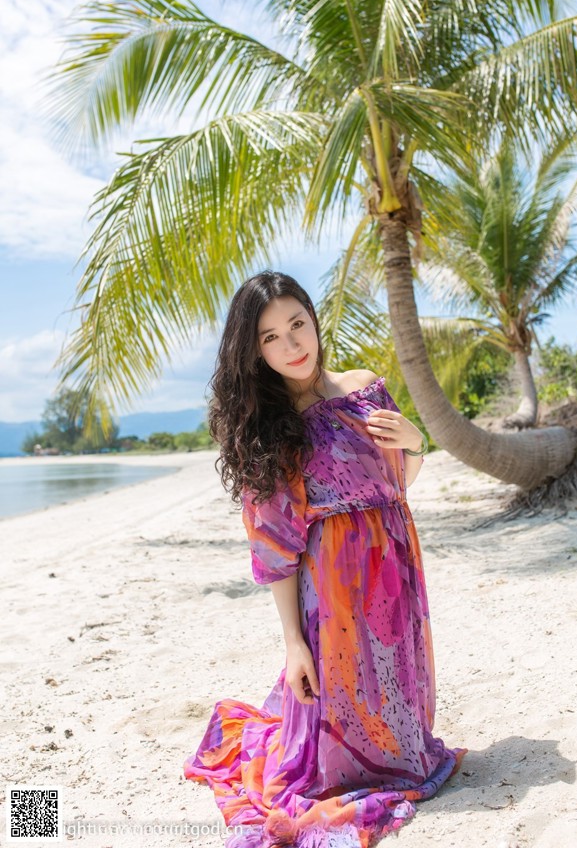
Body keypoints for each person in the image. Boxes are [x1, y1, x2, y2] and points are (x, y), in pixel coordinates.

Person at [183, 271, 467, 848]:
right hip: (331, 585)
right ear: (254, 353)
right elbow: (276, 553)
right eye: (270, 338)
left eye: (297, 325)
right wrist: (293, 644)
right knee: (335, 753)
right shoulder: (270, 434)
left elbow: (396, 483)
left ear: (314, 320)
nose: (292, 346)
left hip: (395, 565)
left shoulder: (365, 387)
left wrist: (415, 442)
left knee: (401, 716)